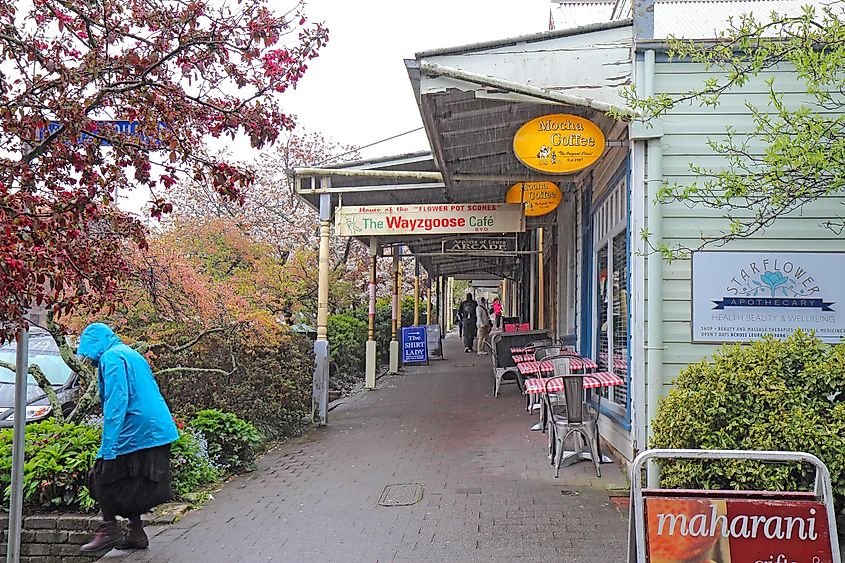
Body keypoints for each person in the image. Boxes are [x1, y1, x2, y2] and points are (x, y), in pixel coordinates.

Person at [77, 323, 180, 553]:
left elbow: (117, 402)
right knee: (132, 478)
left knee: (101, 475)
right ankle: (136, 531)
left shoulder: (111, 358)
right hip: (156, 428)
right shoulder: (131, 353)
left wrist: (109, 447)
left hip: (137, 428)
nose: (89, 360)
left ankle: (110, 528)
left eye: (89, 353)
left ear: (96, 345)